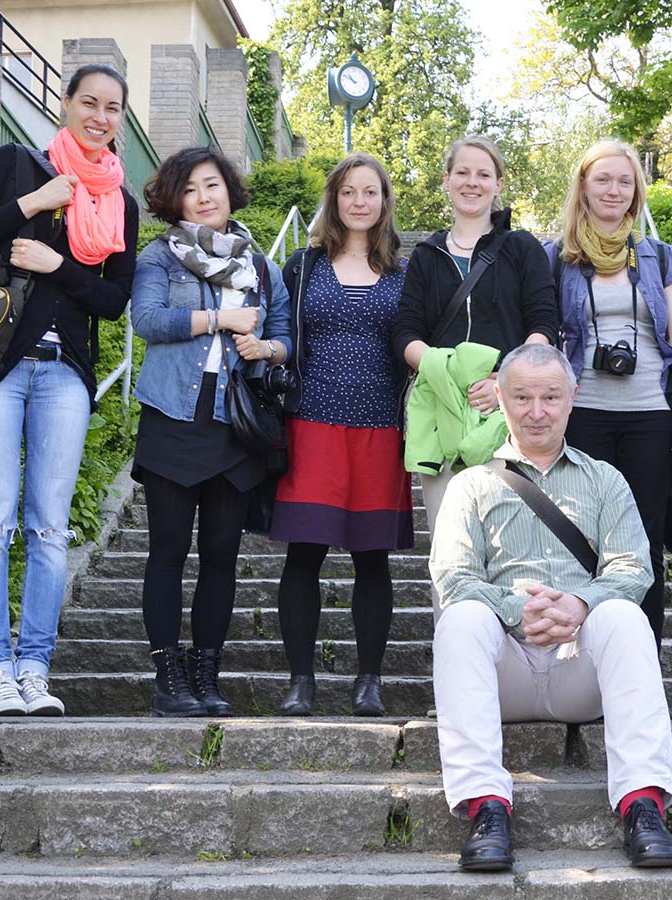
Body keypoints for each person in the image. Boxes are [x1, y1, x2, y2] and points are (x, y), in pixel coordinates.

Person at [430, 343, 672, 872]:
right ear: (499, 398)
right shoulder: (470, 486)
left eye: (550, 397)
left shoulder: (605, 480)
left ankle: (643, 803)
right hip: (505, 667)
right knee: (460, 617)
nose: (536, 411)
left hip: (579, 668)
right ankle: (485, 806)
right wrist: (516, 611)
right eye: (521, 396)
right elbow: (453, 576)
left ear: (572, 398)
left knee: (623, 614)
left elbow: (633, 569)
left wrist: (579, 604)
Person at [0, 64, 139, 718]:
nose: (101, 117)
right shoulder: (15, 164)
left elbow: (114, 301)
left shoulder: (121, 203)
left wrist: (60, 265)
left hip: (66, 373)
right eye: (90, 102)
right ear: (66, 104)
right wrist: (31, 206)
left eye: (113, 108)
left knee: (49, 528)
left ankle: (34, 669)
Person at [131, 146, 290, 717]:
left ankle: (206, 672)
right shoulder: (159, 258)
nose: (204, 197)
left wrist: (266, 346)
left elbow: (284, 336)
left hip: (235, 426)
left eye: (213, 186)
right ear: (177, 201)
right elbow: (147, 321)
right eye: (192, 190)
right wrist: (220, 319)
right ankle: (167, 675)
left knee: (222, 554)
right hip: (173, 418)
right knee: (168, 551)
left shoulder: (263, 267)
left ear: (229, 192)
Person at [270, 153, 414, 718]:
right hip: (311, 423)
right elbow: (279, 332)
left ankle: (368, 681)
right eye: (349, 191)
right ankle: (300, 681)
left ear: (384, 202)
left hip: (381, 427)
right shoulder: (303, 266)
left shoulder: (405, 274)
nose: (359, 201)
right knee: (303, 556)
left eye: (370, 192)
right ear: (334, 199)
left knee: (372, 559)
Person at [392, 135, 558, 619]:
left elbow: (545, 322)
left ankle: (515, 682)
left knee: (515, 553)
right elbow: (405, 332)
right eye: (462, 172)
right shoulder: (425, 255)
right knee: (451, 556)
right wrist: (445, 375)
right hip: (443, 418)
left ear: (499, 184)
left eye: (483, 174)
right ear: (446, 180)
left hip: (508, 417)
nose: (472, 182)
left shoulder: (522, 249)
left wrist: (506, 380)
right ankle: (457, 684)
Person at [546, 139, 672, 645]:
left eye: (625, 181)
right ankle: (582, 661)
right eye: (603, 179)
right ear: (583, 188)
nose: (614, 189)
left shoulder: (657, 256)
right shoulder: (558, 257)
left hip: (649, 415)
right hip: (582, 412)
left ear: (636, 193)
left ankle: (641, 658)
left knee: (643, 540)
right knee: (580, 539)